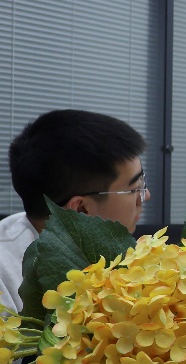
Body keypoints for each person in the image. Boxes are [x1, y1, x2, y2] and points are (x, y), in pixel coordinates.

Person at [2, 110, 148, 314]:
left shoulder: (125, 253)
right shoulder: (6, 281)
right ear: (80, 210)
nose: (146, 196)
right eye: (135, 189)